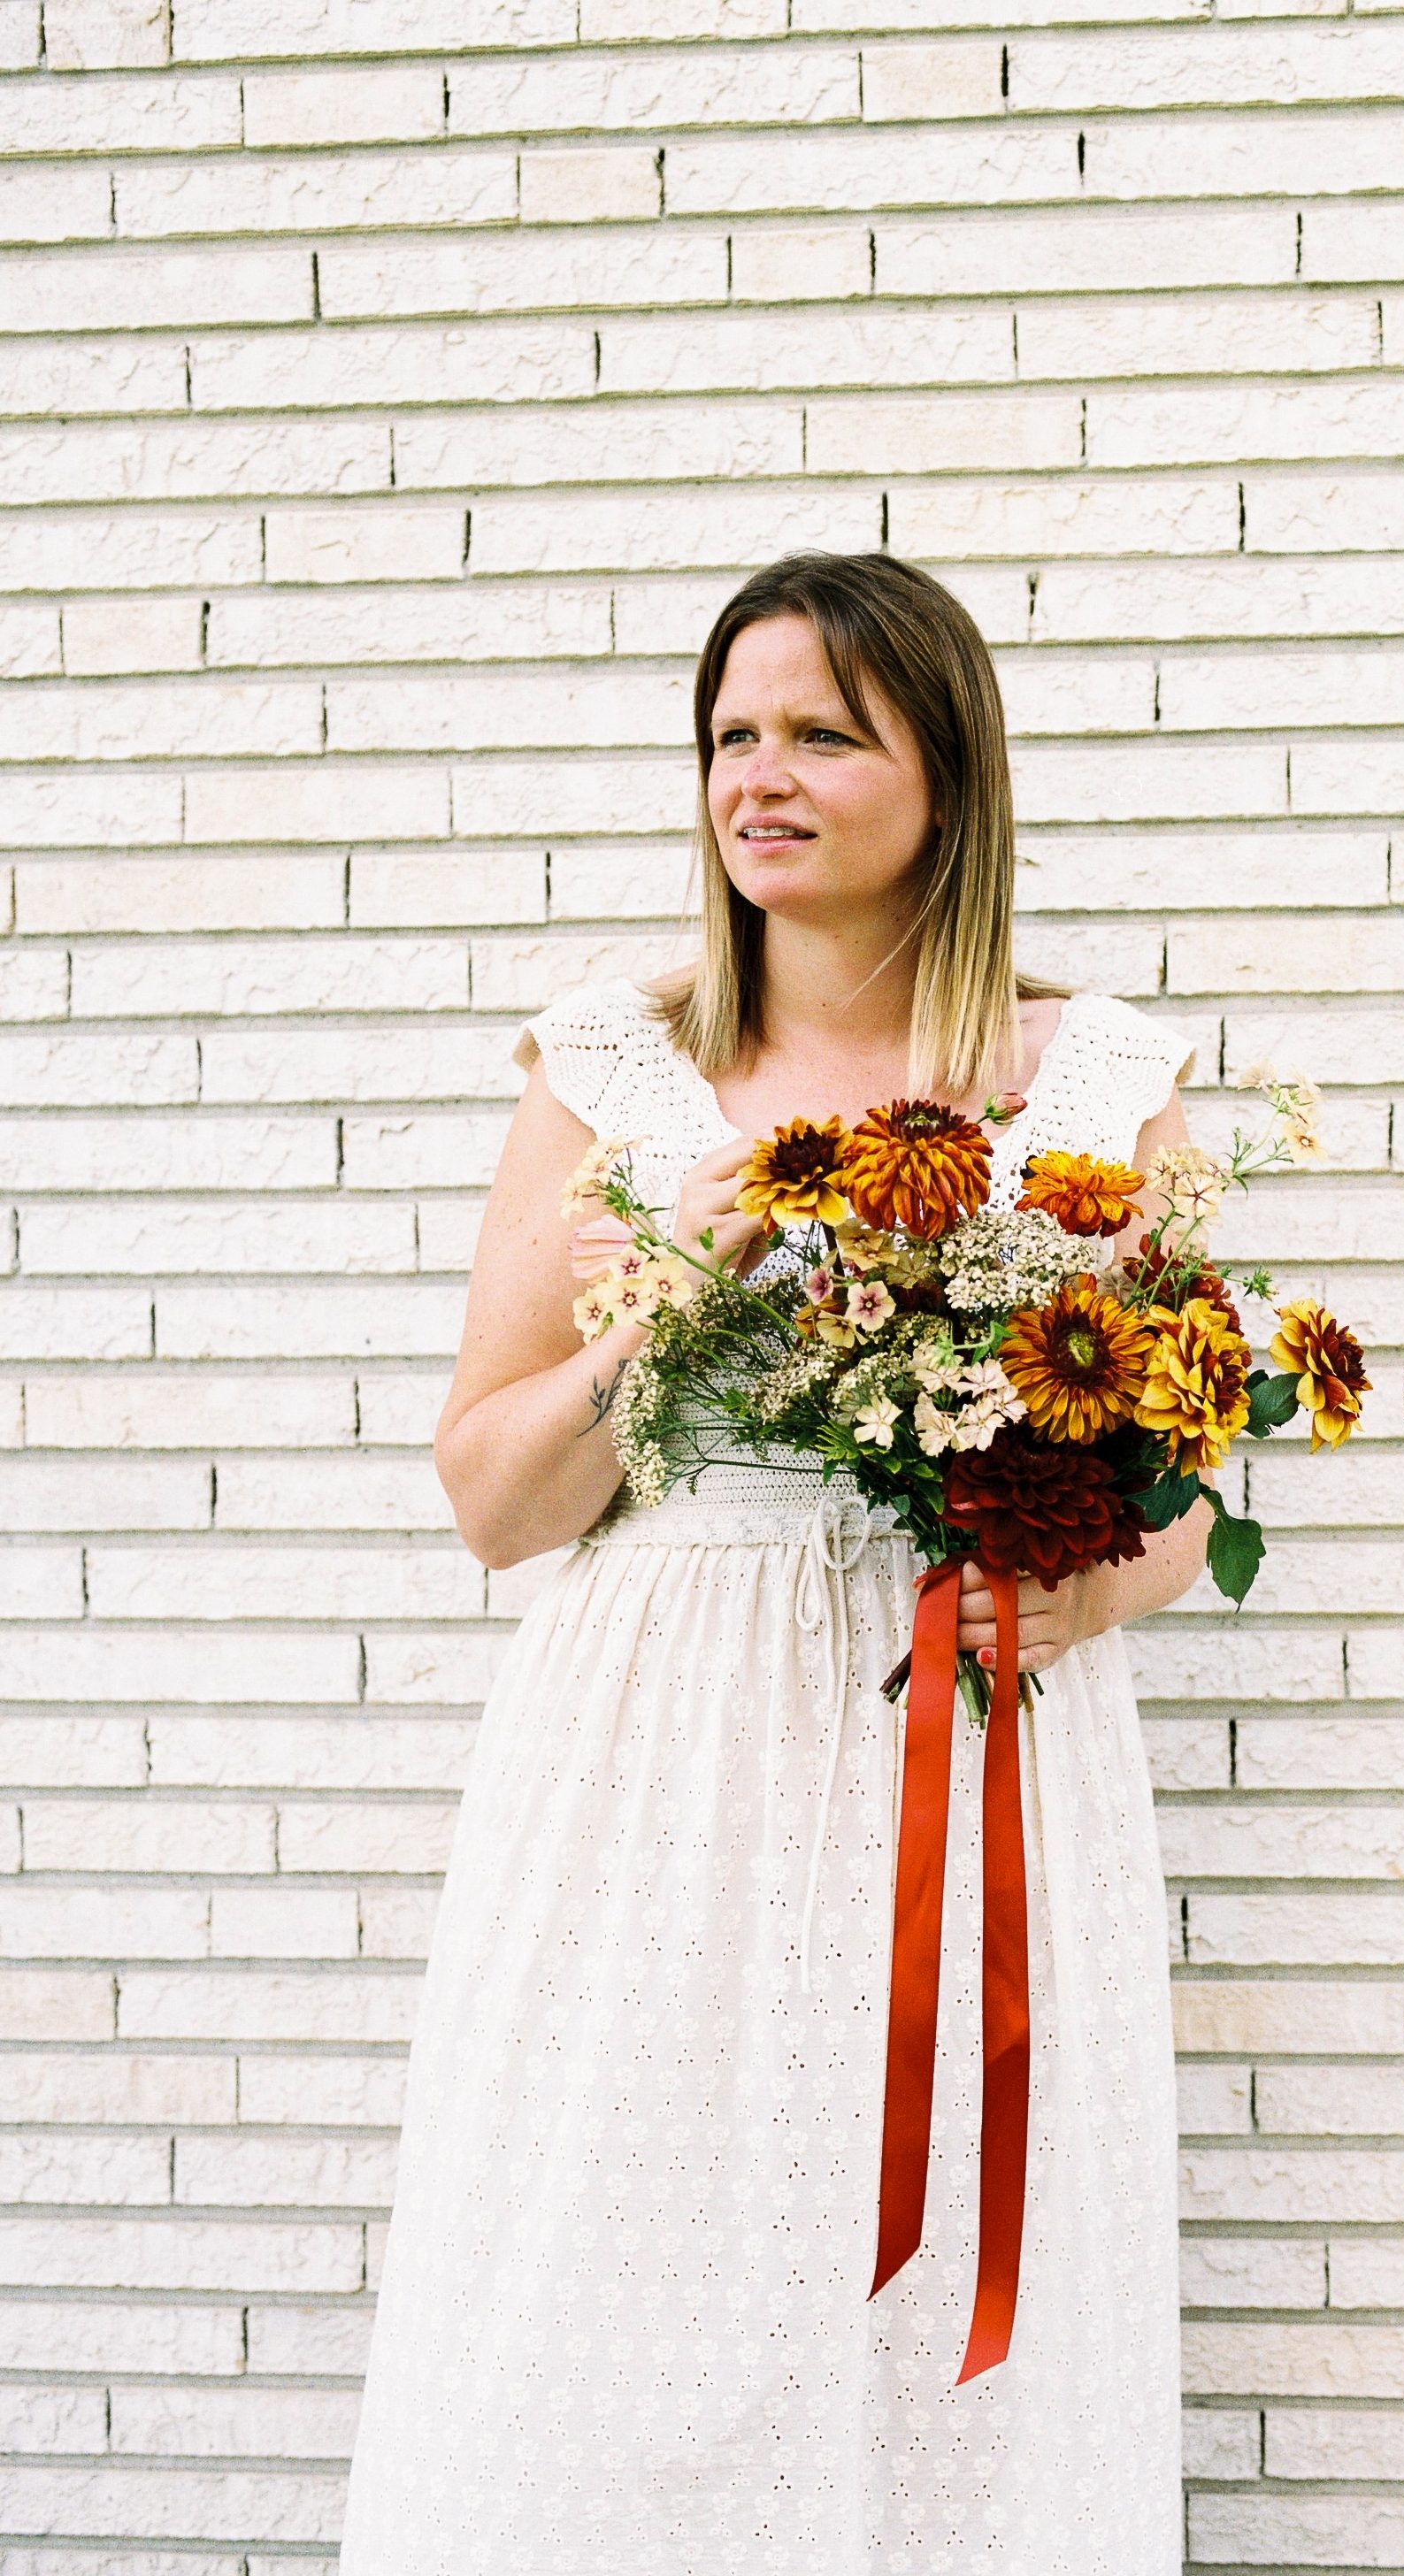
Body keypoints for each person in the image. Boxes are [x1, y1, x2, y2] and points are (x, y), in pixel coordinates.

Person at [336, 550, 1208, 2575]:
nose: (763, 776)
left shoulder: (1095, 1085)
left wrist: (1081, 1590)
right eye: (734, 735)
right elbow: (493, 1496)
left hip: (971, 1737)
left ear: (947, 772)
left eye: (824, 732)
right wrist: (680, 1294)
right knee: (623, 2256)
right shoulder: (614, 1074)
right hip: (656, 1756)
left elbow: (1180, 1488)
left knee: (951, 2265)